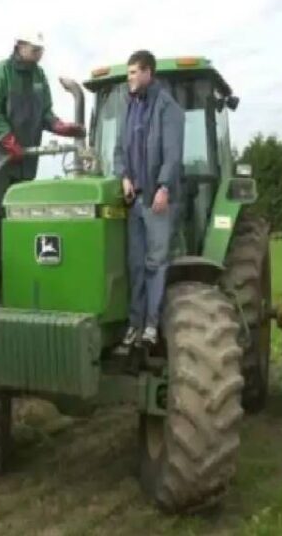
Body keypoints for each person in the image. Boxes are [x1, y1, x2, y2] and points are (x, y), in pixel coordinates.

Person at [0, 31, 85, 302]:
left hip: (28, 154)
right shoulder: (0, 74)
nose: (40, 54)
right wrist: (7, 138)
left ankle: (23, 272)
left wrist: (59, 126)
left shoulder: (39, 78)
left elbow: (45, 113)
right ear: (20, 46)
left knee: (24, 213)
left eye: (41, 50)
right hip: (2, 155)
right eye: (35, 49)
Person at [112, 50, 184, 353]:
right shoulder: (129, 108)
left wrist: (164, 187)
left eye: (132, 72)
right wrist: (124, 176)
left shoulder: (168, 108)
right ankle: (134, 324)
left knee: (155, 262)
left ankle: (152, 324)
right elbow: (119, 150)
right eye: (128, 73)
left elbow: (172, 153)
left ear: (147, 73)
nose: (129, 78)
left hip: (157, 200)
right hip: (136, 200)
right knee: (135, 264)